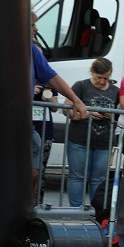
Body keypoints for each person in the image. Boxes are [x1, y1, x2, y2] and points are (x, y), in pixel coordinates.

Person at [30, 11, 88, 202]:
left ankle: (28, 213)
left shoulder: (32, 51)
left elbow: (52, 77)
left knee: (35, 173)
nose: (36, 29)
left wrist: (77, 100)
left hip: (29, 127)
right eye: (32, 25)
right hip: (9, 123)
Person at [65, 57, 119, 208]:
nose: (102, 81)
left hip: (104, 142)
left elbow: (121, 115)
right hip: (79, 140)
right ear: (92, 72)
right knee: (77, 177)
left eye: (106, 78)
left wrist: (111, 115)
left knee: (99, 179)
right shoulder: (81, 86)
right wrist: (88, 113)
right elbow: (66, 109)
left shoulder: (116, 91)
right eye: (99, 78)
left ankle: (96, 212)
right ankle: (75, 211)